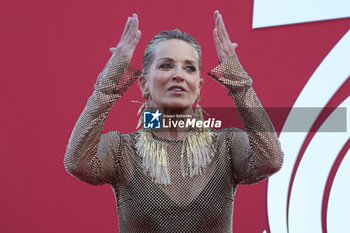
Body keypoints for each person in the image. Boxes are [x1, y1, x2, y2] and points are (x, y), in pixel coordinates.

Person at [64, 10, 283, 233]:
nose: (178, 74)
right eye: (166, 65)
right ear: (143, 84)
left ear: (198, 86)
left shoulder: (225, 146)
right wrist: (112, 76)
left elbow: (270, 159)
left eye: (189, 68)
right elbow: (77, 162)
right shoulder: (122, 150)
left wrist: (237, 80)